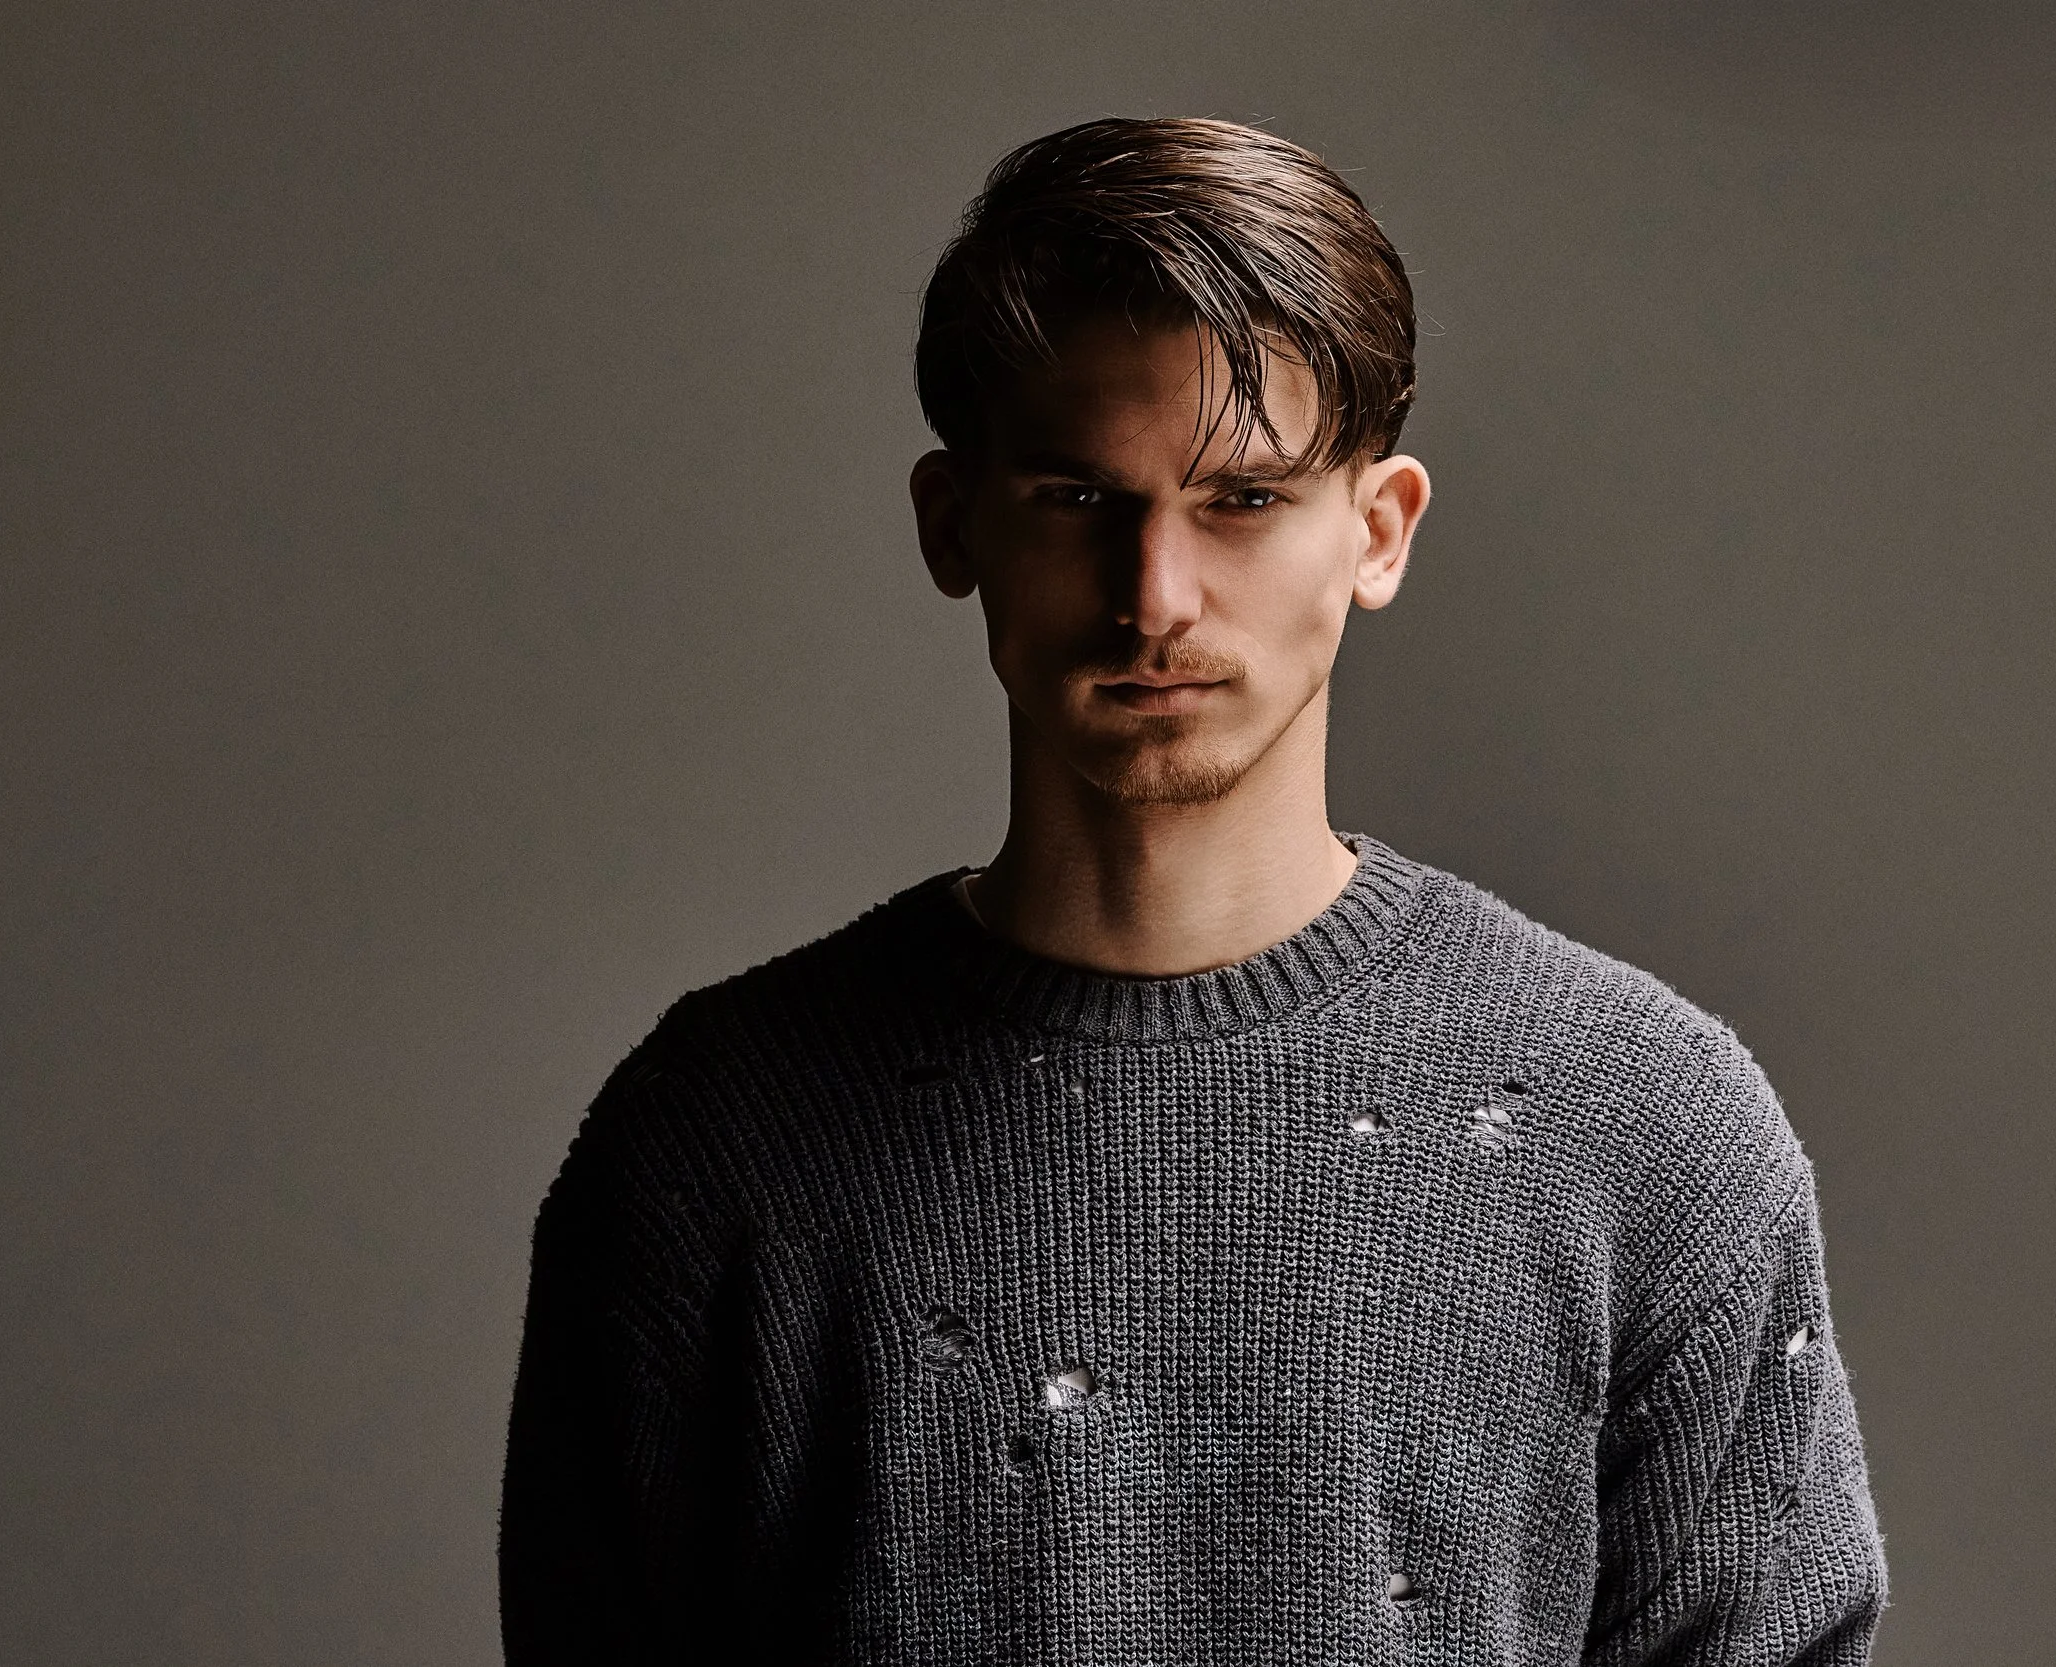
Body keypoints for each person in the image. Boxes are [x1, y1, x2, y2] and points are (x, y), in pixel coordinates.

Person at [499, 116, 1888, 1664]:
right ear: (954, 524)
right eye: (1078, 500)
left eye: (1243, 499)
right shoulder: (716, 1140)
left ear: (1378, 531)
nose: (1155, 596)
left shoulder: (1647, 1124)